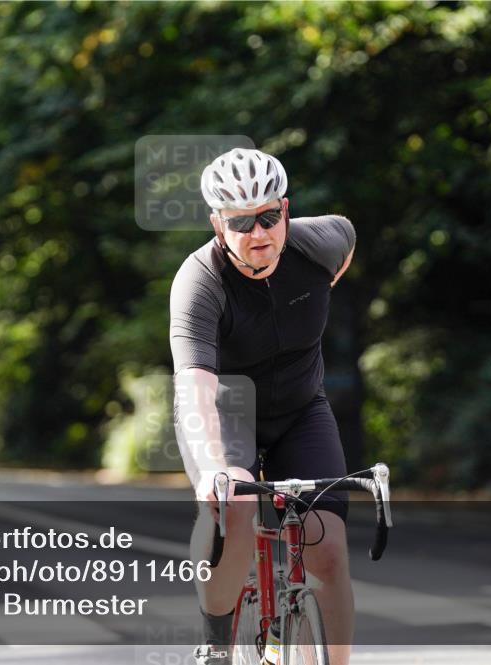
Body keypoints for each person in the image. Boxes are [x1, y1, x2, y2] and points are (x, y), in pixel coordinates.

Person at [169, 148, 356, 665]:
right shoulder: (199, 283)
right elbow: (195, 387)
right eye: (240, 222)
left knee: (330, 549)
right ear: (217, 224)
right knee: (234, 503)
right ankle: (216, 647)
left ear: (286, 210)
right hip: (226, 414)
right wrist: (212, 468)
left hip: (301, 408)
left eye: (269, 217)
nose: (259, 234)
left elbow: (348, 239)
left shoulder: (321, 246)